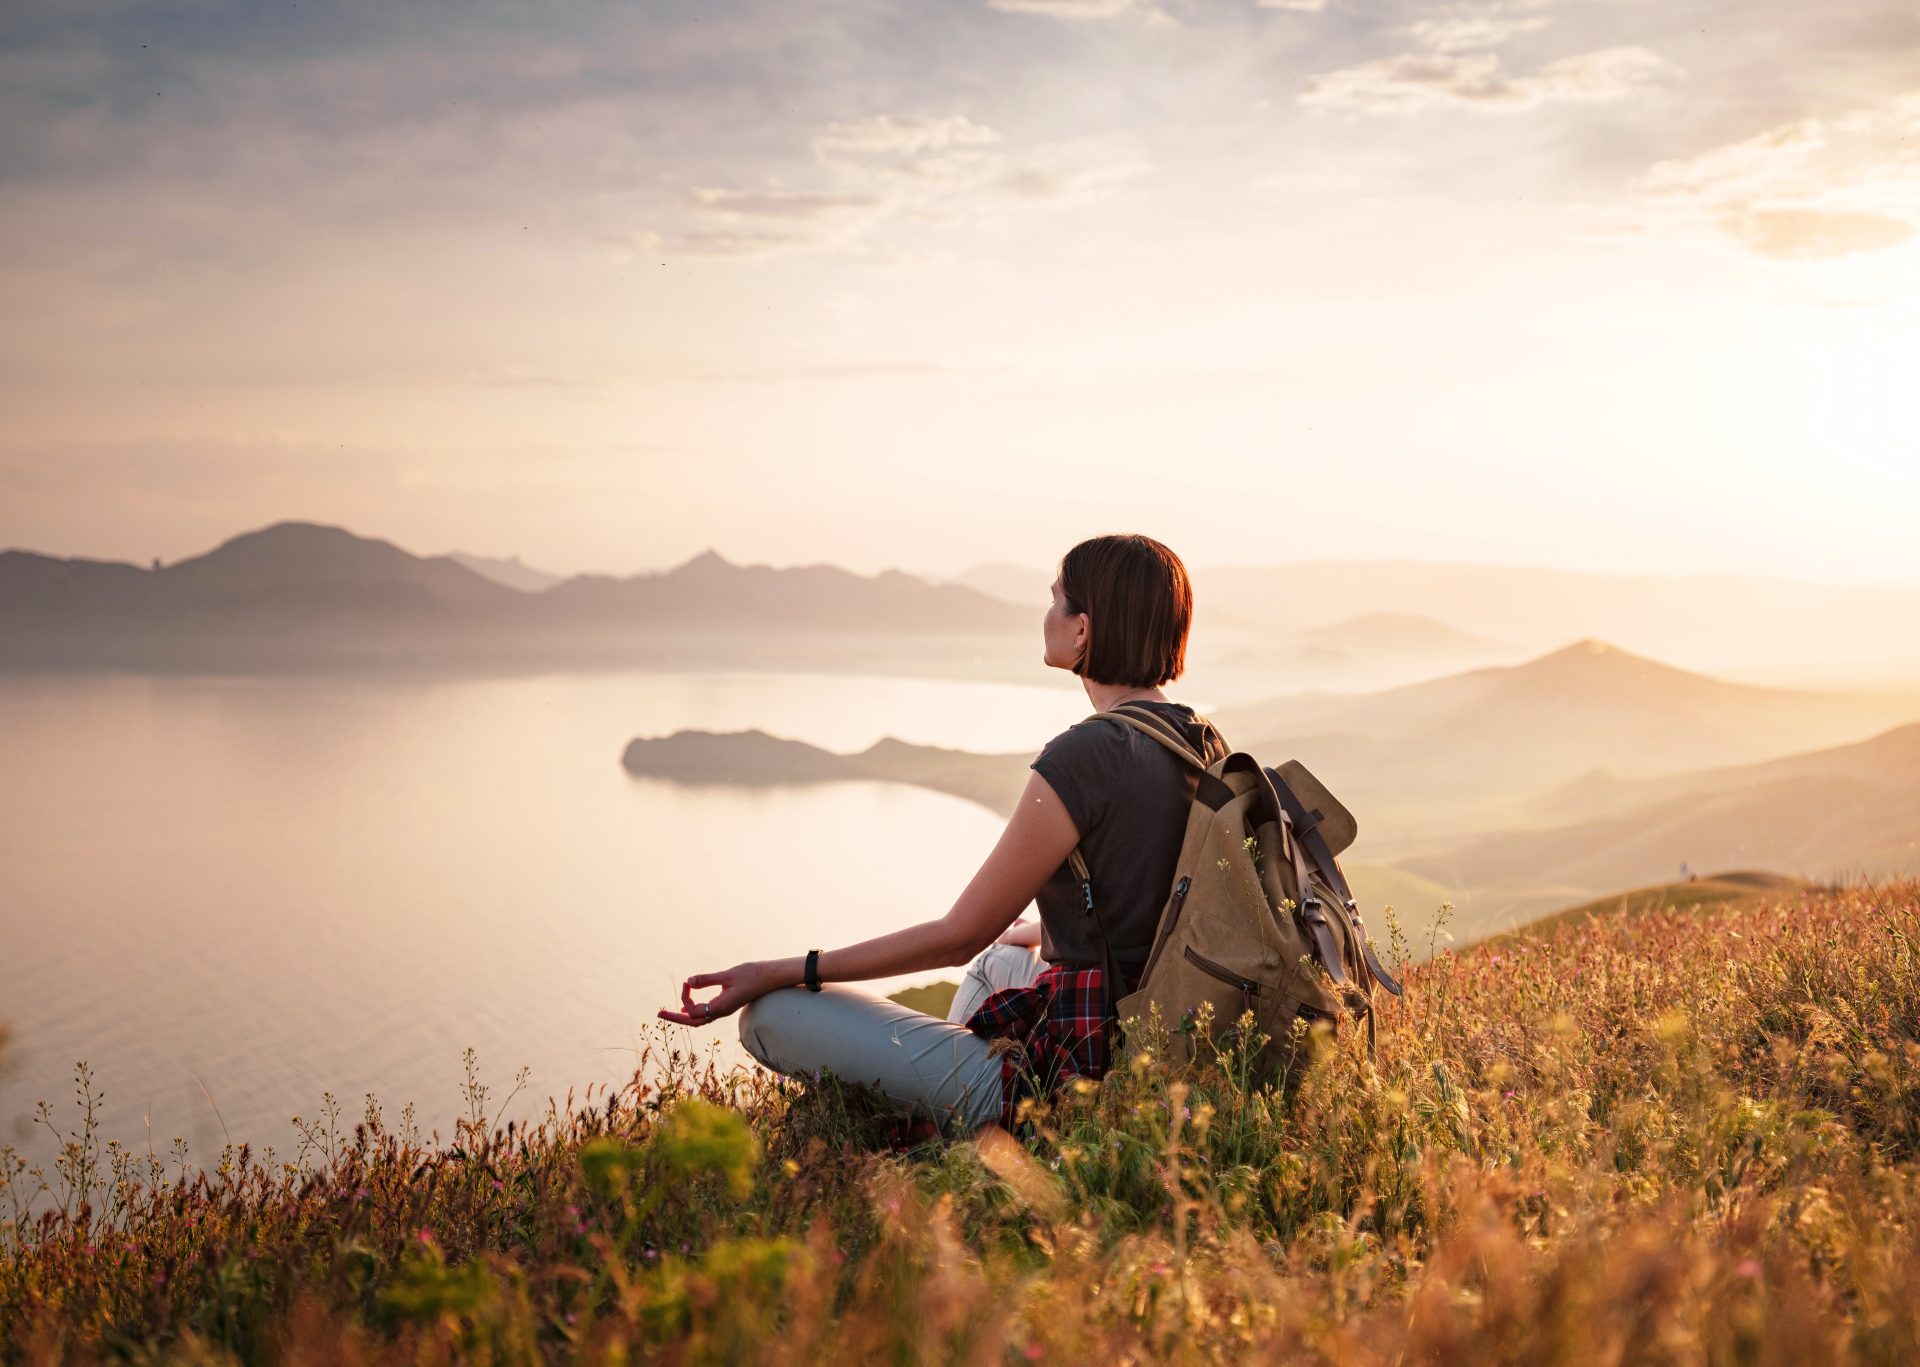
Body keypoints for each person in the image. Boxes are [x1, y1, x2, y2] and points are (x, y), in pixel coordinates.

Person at [657, 533, 1228, 1139]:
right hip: (1153, 1040)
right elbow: (1161, 889)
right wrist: (1047, 930)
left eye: (1056, 598)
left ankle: (970, 1125)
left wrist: (788, 970)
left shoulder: (1086, 755)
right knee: (1005, 956)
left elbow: (957, 937)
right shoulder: (1199, 740)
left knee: (770, 1017)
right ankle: (957, 1116)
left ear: (1083, 631)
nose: (1047, 613)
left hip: (1079, 1074)